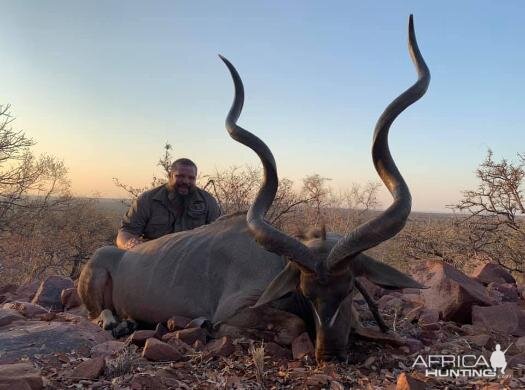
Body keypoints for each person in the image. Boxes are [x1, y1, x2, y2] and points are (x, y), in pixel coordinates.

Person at [116, 158, 221, 250]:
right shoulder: (148, 199)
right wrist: (133, 247)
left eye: (191, 178)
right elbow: (126, 232)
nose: (186, 181)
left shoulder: (208, 201)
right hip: (155, 257)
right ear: (170, 176)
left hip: (192, 257)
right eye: (180, 176)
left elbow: (218, 234)